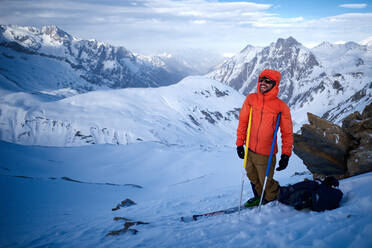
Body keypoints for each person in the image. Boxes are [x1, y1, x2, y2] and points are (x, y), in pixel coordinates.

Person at [236, 69, 293, 207]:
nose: (263, 83)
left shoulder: (281, 107)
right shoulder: (251, 99)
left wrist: (286, 155)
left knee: (266, 180)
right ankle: (260, 198)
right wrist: (239, 143)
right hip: (250, 148)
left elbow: (287, 133)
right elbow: (243, 121)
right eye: (261, 79)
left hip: (266, 153)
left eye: (268, 81)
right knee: (252, 177)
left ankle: (272, 201)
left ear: (275, 84)